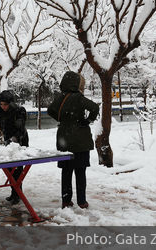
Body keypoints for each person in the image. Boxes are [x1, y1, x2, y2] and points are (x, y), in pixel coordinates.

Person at [48, 71, 99, 209]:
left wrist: (62, 119)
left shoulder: (60, 97)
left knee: (66, 172)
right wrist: (87, 120)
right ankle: (81, 201)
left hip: (64, 139)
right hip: (80, 140)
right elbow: (95, 107)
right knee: (80, 172)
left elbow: (50, 110)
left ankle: (66, 200)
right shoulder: (79, 98)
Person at [0, 90, 29, 205]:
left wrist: (13, 139)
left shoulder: (19, 111)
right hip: (7, 140)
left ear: (10, 103)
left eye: (5, 104)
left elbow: (20, 129)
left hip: (20, 140)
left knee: (17, 169)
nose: (3, 107)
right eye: (1, 104)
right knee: (10, 169)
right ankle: (14, 192)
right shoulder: (0, 111)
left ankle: (17, 194)